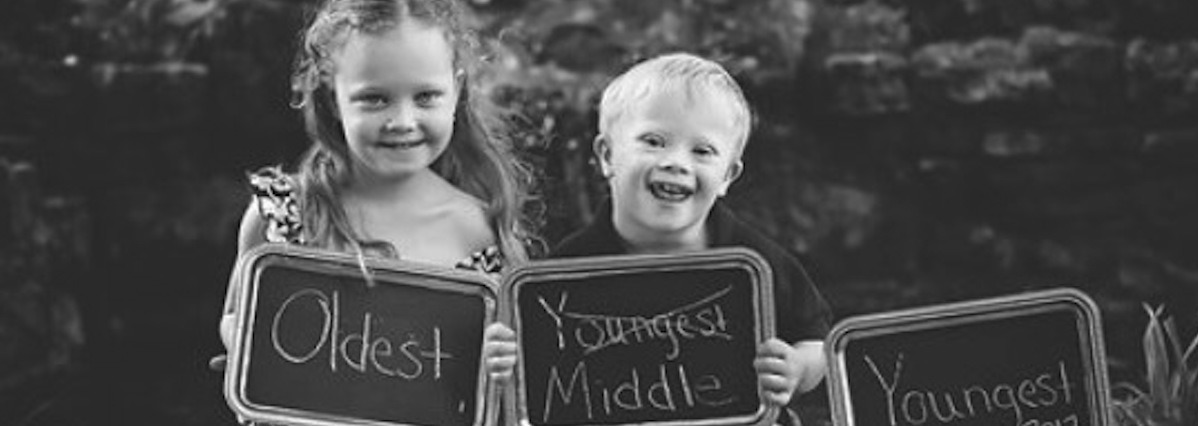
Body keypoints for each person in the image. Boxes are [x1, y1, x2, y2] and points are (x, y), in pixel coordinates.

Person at [216, 0, 529, 394]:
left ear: (457, 91)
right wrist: (251, 344)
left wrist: (503, 362)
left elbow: (501, 380)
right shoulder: (282, 213)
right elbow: (234, 317)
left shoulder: (481, 232)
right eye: (375, 99)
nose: (402, 122)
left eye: (426, 96)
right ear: (333, 99)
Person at [551, 52, 833, 424]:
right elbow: (533, 369)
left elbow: (820, 343)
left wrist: (796, 369)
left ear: (728, 177)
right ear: (607, 155)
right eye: (654, 141)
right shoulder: (563, 271)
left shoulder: (754, 262)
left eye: (702, 151)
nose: (676, 162)